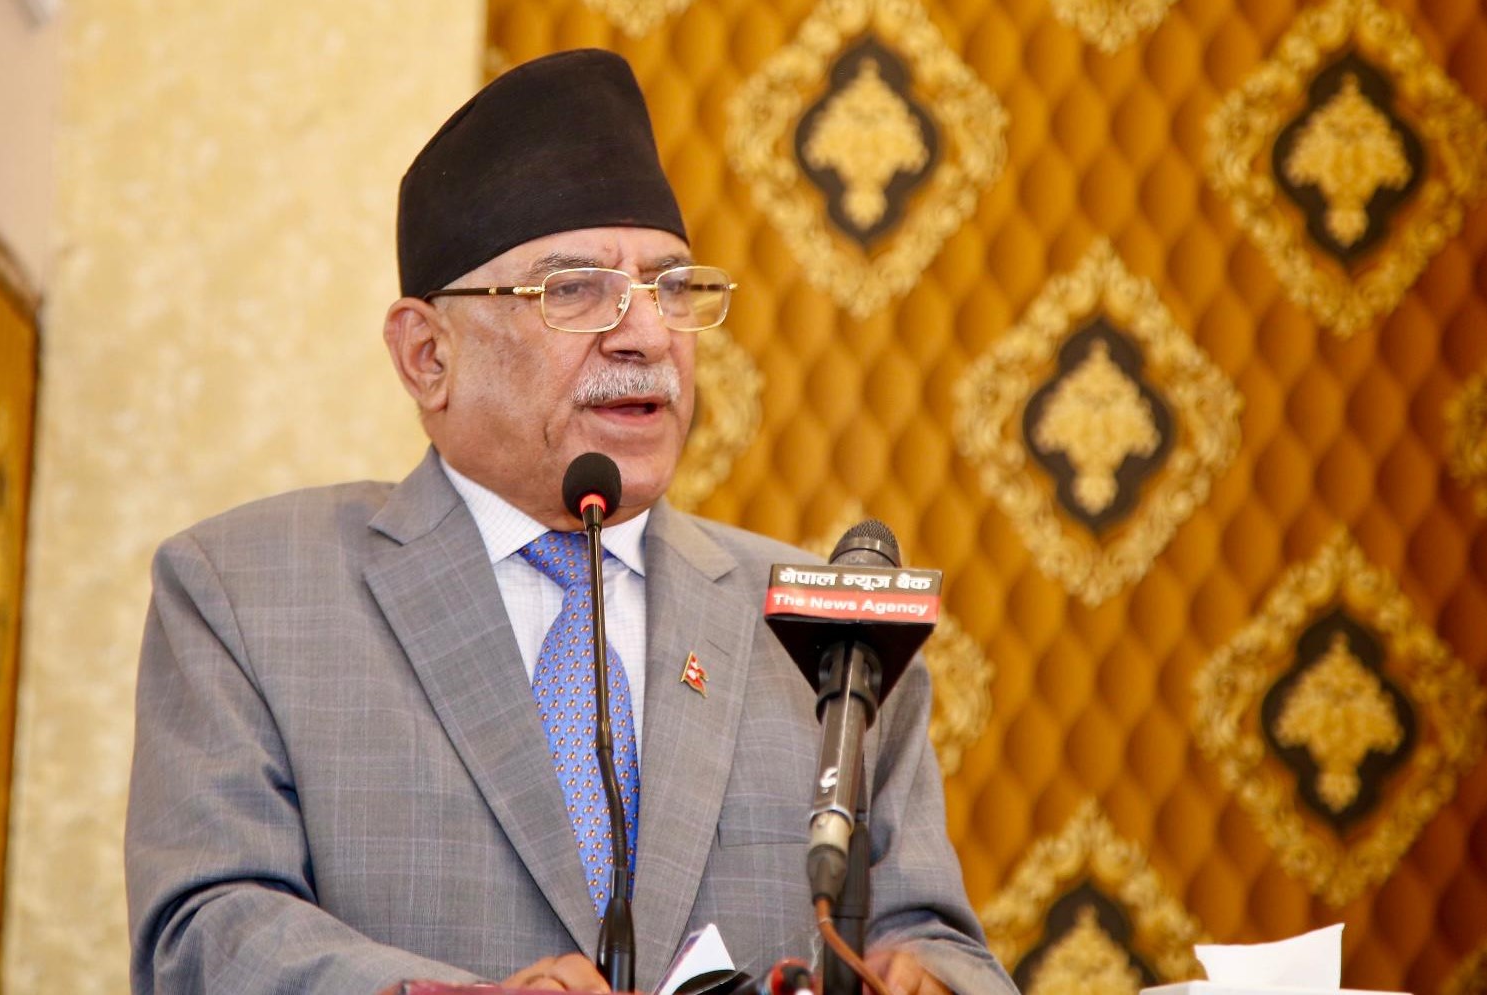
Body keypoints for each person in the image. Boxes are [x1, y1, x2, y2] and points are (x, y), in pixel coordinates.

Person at [124, 48, 1016, 995]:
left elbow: (938, 940)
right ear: (427, 356)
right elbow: (204, 930)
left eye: (672, 288)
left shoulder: (828, 631)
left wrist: (925, 982)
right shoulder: (246, 593)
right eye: (574, 289)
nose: (646, 334)